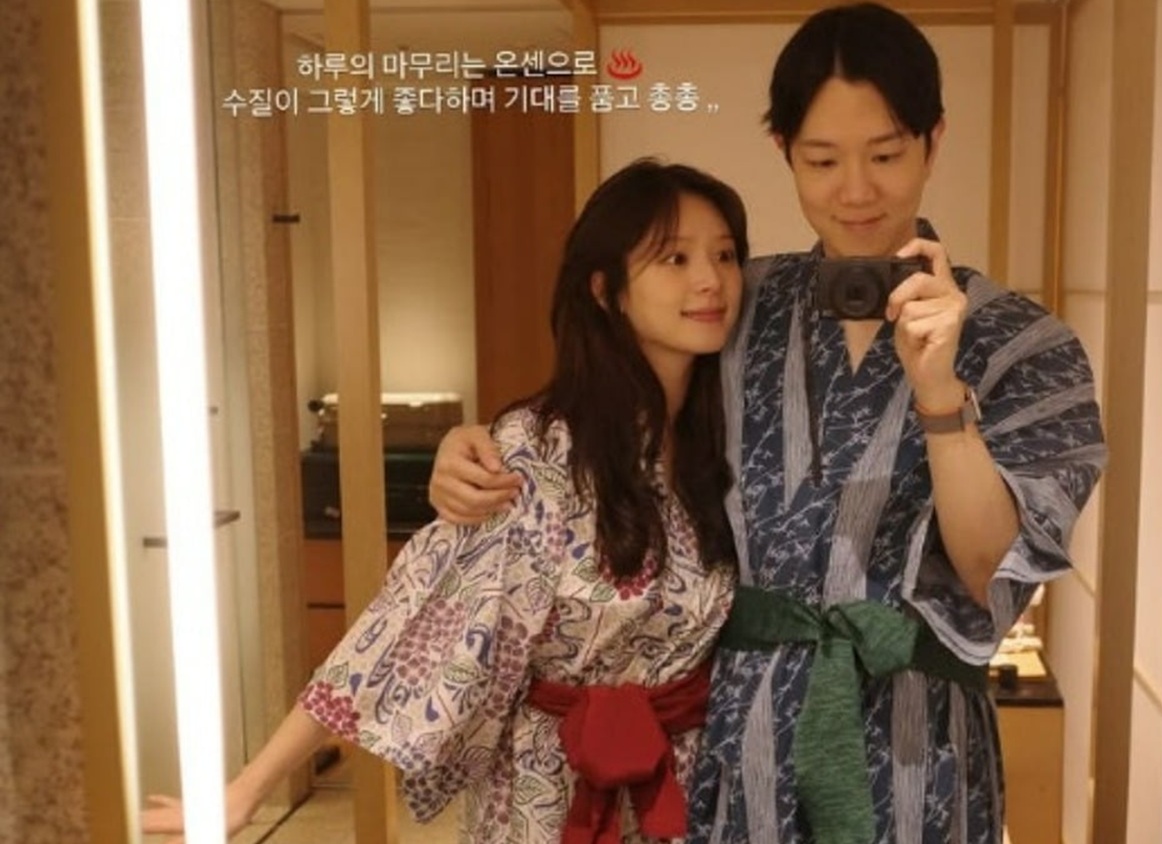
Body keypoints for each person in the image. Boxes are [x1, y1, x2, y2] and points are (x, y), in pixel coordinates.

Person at [429, 5, 1106, 843]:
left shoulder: (1024, 344)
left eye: (886, 155)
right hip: (742, 727)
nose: (856, 190)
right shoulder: (738, 302)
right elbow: (609, 401)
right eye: (822, 159)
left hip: (919, 739)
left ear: (934, 141)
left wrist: (940, 397)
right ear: (782, 148)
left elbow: (986, 568)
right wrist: (481, 444)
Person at [141, 157, 750, 844]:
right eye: (674, 258)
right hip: (551, 794)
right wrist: (248, 789)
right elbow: (404, 622)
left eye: (726, 255)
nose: (710, 280)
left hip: (690, 781)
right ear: (606, 289)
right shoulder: (534, 452)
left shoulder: (726, 440)